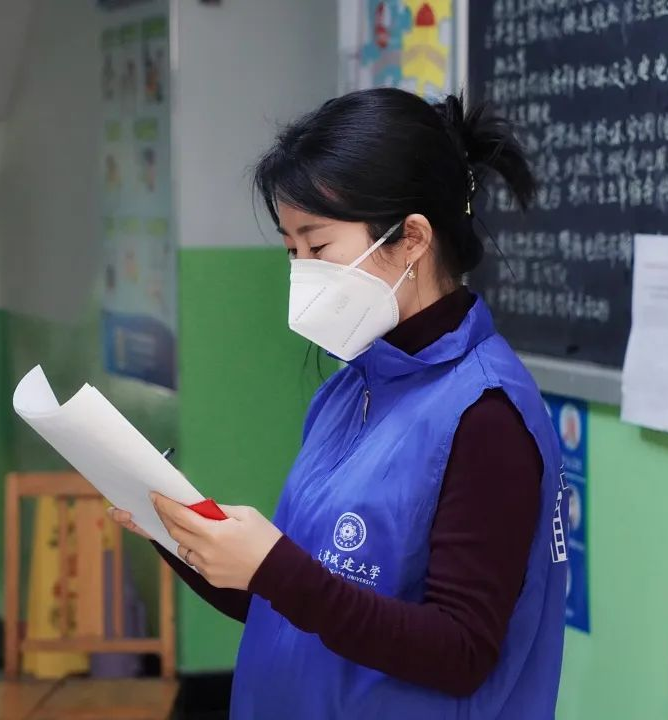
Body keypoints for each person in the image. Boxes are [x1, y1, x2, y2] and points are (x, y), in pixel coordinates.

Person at [108, 88, 567, 719]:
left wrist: (275, 569)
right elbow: (292, 604)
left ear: (412, 238)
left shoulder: (486, 415)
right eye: (290, 251)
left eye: (318, 248)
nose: (302, 272)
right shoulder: (352, 388)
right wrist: (176, 528)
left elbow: (461, 652)